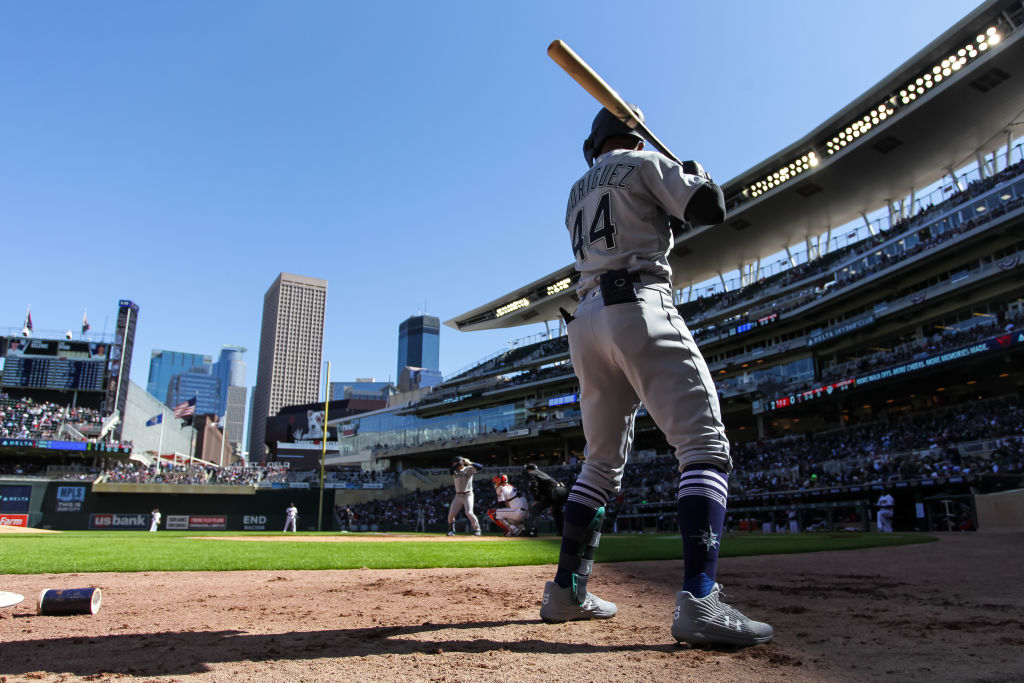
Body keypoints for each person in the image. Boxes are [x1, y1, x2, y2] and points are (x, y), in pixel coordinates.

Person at [537, 105, 774, 647]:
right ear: (637, 138)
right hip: (638, 302)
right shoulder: (644, 162)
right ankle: (701, 601)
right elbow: (710, 208)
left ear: (593, 145)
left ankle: (566, 591)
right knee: (703, 446)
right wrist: (696, 172)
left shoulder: (575, 191)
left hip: (585, 321)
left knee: (599, 465)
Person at [521, 463, 569, 536]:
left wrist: (537, 499)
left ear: (528, 469)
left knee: (534, 509)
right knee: (557, 512)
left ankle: (532, 531)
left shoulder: (531, 473)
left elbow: (534, 486)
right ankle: (562, 532)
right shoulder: (541, 473)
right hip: (562, 491)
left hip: (553, 492)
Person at [447, 456, 483, 536]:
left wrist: (469, 462)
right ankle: (451, 530)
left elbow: (480, 467)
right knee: (451, 514)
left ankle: (477, 530)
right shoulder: (454, 470)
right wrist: (460, 463)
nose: (454, 464)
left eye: (455, 463)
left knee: (469, 512)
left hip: (468, 495)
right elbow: (451, 470)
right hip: (458, 495)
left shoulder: (468, 469)